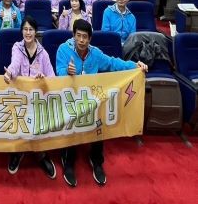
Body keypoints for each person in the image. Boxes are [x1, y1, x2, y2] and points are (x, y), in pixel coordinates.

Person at [56, 19, 148, 187]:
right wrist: (66, 72)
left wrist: (135, 65)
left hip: (90, 100)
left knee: (99, 121)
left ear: (90, 39)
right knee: (71, 122)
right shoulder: (63, 50)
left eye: (85, 37)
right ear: (73, 36)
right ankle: (68, 161)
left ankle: (96, 160)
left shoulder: (95, 53)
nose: (81, 40)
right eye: (78, 36)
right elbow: (58, 74)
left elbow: (113, 63)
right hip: (70, 99)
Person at [3, 16, 56, 178]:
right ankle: (18, 152)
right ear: (22, 31)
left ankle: (41, 154)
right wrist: (9, 72)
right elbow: (15, 64)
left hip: (37, 100)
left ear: (35, 32)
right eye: (25, 29)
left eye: (31, 29)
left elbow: (52, 77)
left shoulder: (43, 53)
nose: (28, 33)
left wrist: (43, 79)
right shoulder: (17, 47)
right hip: (19, 97)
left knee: (40, 122)